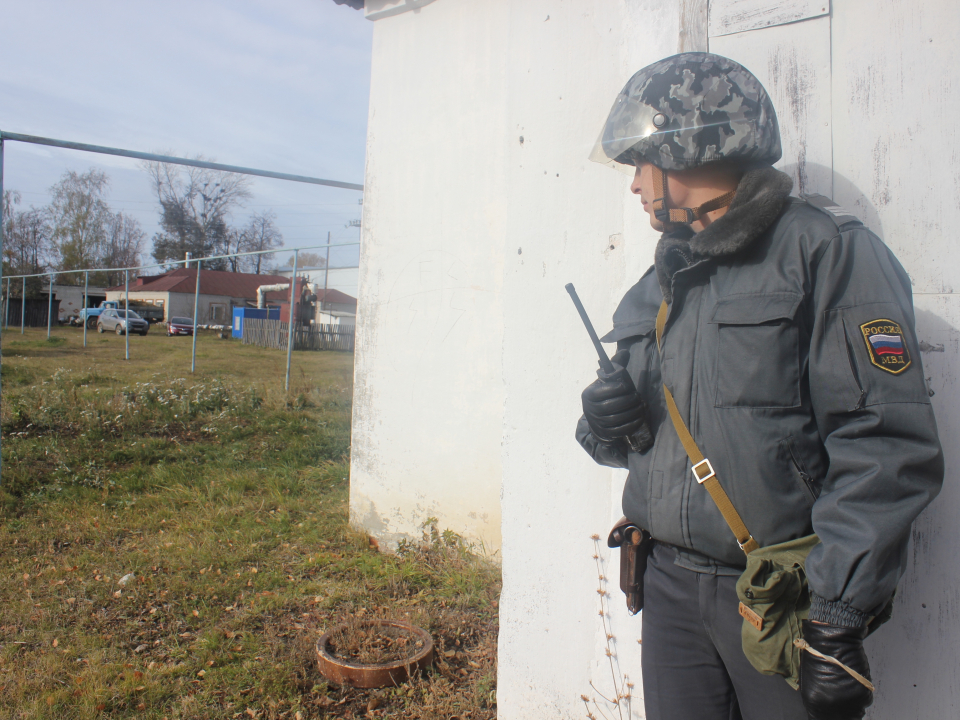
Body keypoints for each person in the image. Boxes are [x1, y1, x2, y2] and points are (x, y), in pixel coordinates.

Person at [576, 52, 943, 720]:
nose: (634, 185)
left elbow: (885, 442)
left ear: (685, 144)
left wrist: (837, 611)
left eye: (639, 161)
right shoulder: (664, 274)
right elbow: (636, 438)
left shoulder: (822, 252)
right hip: (668, 592)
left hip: (776, 600)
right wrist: (606, 420)